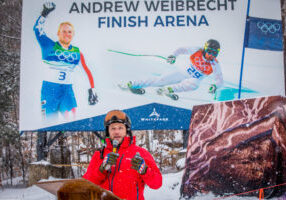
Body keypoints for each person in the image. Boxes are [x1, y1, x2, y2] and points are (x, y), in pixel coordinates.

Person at [34, 2, 98, 120]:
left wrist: (92, 89)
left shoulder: (76, 52)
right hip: (49, 90)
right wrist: (44, 14)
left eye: (70, 32)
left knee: (71, 122)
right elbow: (37, 30)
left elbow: (86, 71)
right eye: (64, 31)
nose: (67, 34)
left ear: (73, 35)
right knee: (48, 123)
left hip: (67, 91)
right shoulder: (48, 45)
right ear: (58, 33)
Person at [83, 110, 162, 200]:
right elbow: (86, 185)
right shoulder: (99, 155)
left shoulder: (141, 153)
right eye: (113, 128)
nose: (116, 132)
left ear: (126, 130)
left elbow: (157, 184)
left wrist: (145, 170)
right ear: (108, 131)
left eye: (120, 128)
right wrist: (101, 169)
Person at [121, 39, 224, 100]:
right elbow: (181, 49)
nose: (211, 55)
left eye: (215, 53)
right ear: (205, 49)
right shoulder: (198, 50)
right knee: (160, 81)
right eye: (210, 51)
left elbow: (220, 80)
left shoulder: (215, 64)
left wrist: (215, 86)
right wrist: (173, 55)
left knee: (195, 84)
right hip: (181, 72)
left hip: (192, 79)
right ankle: (132, 84)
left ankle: (169, 90)